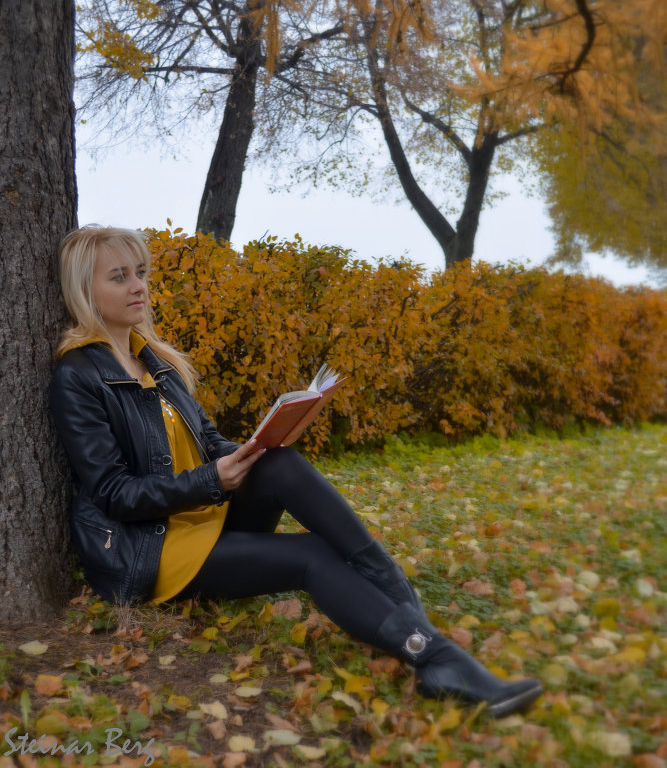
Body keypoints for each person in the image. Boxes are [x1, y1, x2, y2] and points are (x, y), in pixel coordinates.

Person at [49, 225, 543, 718]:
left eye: (140, 273)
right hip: (153, 550)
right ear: (84, 291)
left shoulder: (155, 361)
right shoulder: (78, 376)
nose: (139, 286)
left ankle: (389, 584)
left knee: (278, 461)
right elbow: (113, 493)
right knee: (309, 556)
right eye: (119, 277)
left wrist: (255, 447)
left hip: (201, 517)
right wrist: (211, 480)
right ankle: (434, 659)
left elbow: (207, 440)